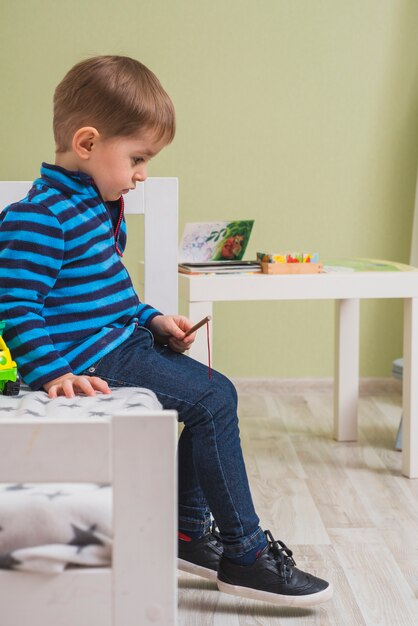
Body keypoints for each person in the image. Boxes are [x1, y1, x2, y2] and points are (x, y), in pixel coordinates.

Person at [0, 55, 333, 607]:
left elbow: (112, 294)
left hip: (120, 343)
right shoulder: (37, 217)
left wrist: (153, 319)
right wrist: (51, 372)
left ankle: (184, 530)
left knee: (213, 395)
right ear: (87, 144)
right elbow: (16, 304)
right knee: (213, 397)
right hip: (93, 360)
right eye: (136, 158)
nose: (141, 174)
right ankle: (244, 553)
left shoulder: (96, 206)